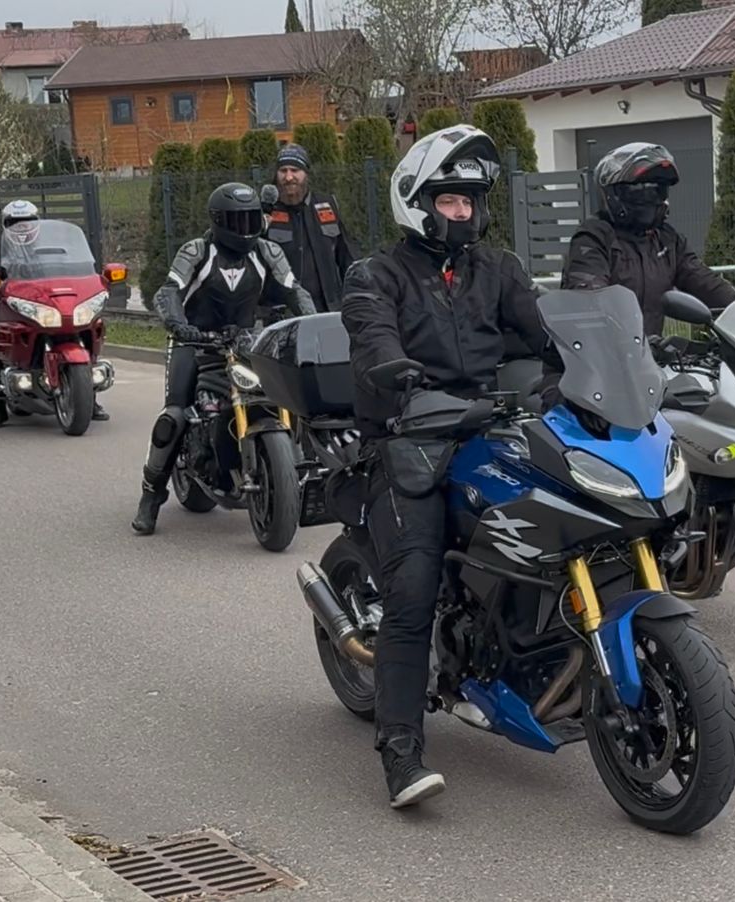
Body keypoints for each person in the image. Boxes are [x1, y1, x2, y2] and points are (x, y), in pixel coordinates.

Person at [339, 124, 556, 809]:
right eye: (449, 200)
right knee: (412, 589)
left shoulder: (499, 268)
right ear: (417, 203)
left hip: (489, 425)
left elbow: (545, 327)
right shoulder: (375, 275)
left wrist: (581, 361)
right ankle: (401, 750)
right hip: (410, 437)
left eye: (470, 201)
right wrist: (396, 374)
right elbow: (372, 336)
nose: (463, 212)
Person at [131, 182, 316, 535]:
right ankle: (151, 495)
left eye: (250, 220)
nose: (245, 229)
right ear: (217, 221)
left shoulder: (268, 251)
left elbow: (295, 291)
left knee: (291, 394)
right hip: (196, 341)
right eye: (236, 221)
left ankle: (302, 472)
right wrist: (179, 325)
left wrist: (311, 323)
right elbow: (168, 292)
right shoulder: (197, 251)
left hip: (246, 340)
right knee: (175, 415)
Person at [562, 143, 735, 335]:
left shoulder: (668, 241)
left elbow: (706, 283)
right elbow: (589, 297)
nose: (651, 198)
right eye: (640, 190)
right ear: (613, 194)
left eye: (657, 190)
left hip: (647, 352)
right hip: (598, 350)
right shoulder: (593, 237)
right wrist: (629, 338)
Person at [0, 200, 110, 427]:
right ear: (6, 224)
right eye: (15, 222)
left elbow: (68, 267)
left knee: (84, 330)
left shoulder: (51, 246)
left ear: (36, 222)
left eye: (27, 221)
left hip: (49, 302)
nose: (22, 227)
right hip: (13, 301)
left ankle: (90, 400)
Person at [263, 143, 357, 312]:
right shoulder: (266, 212)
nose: (289, 177)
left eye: (295, 170)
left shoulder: (327, 205)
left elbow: (346, 258)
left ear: (306, 174)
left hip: (327, 310)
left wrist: (355, 298)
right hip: (283, 313)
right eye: (283, 171)